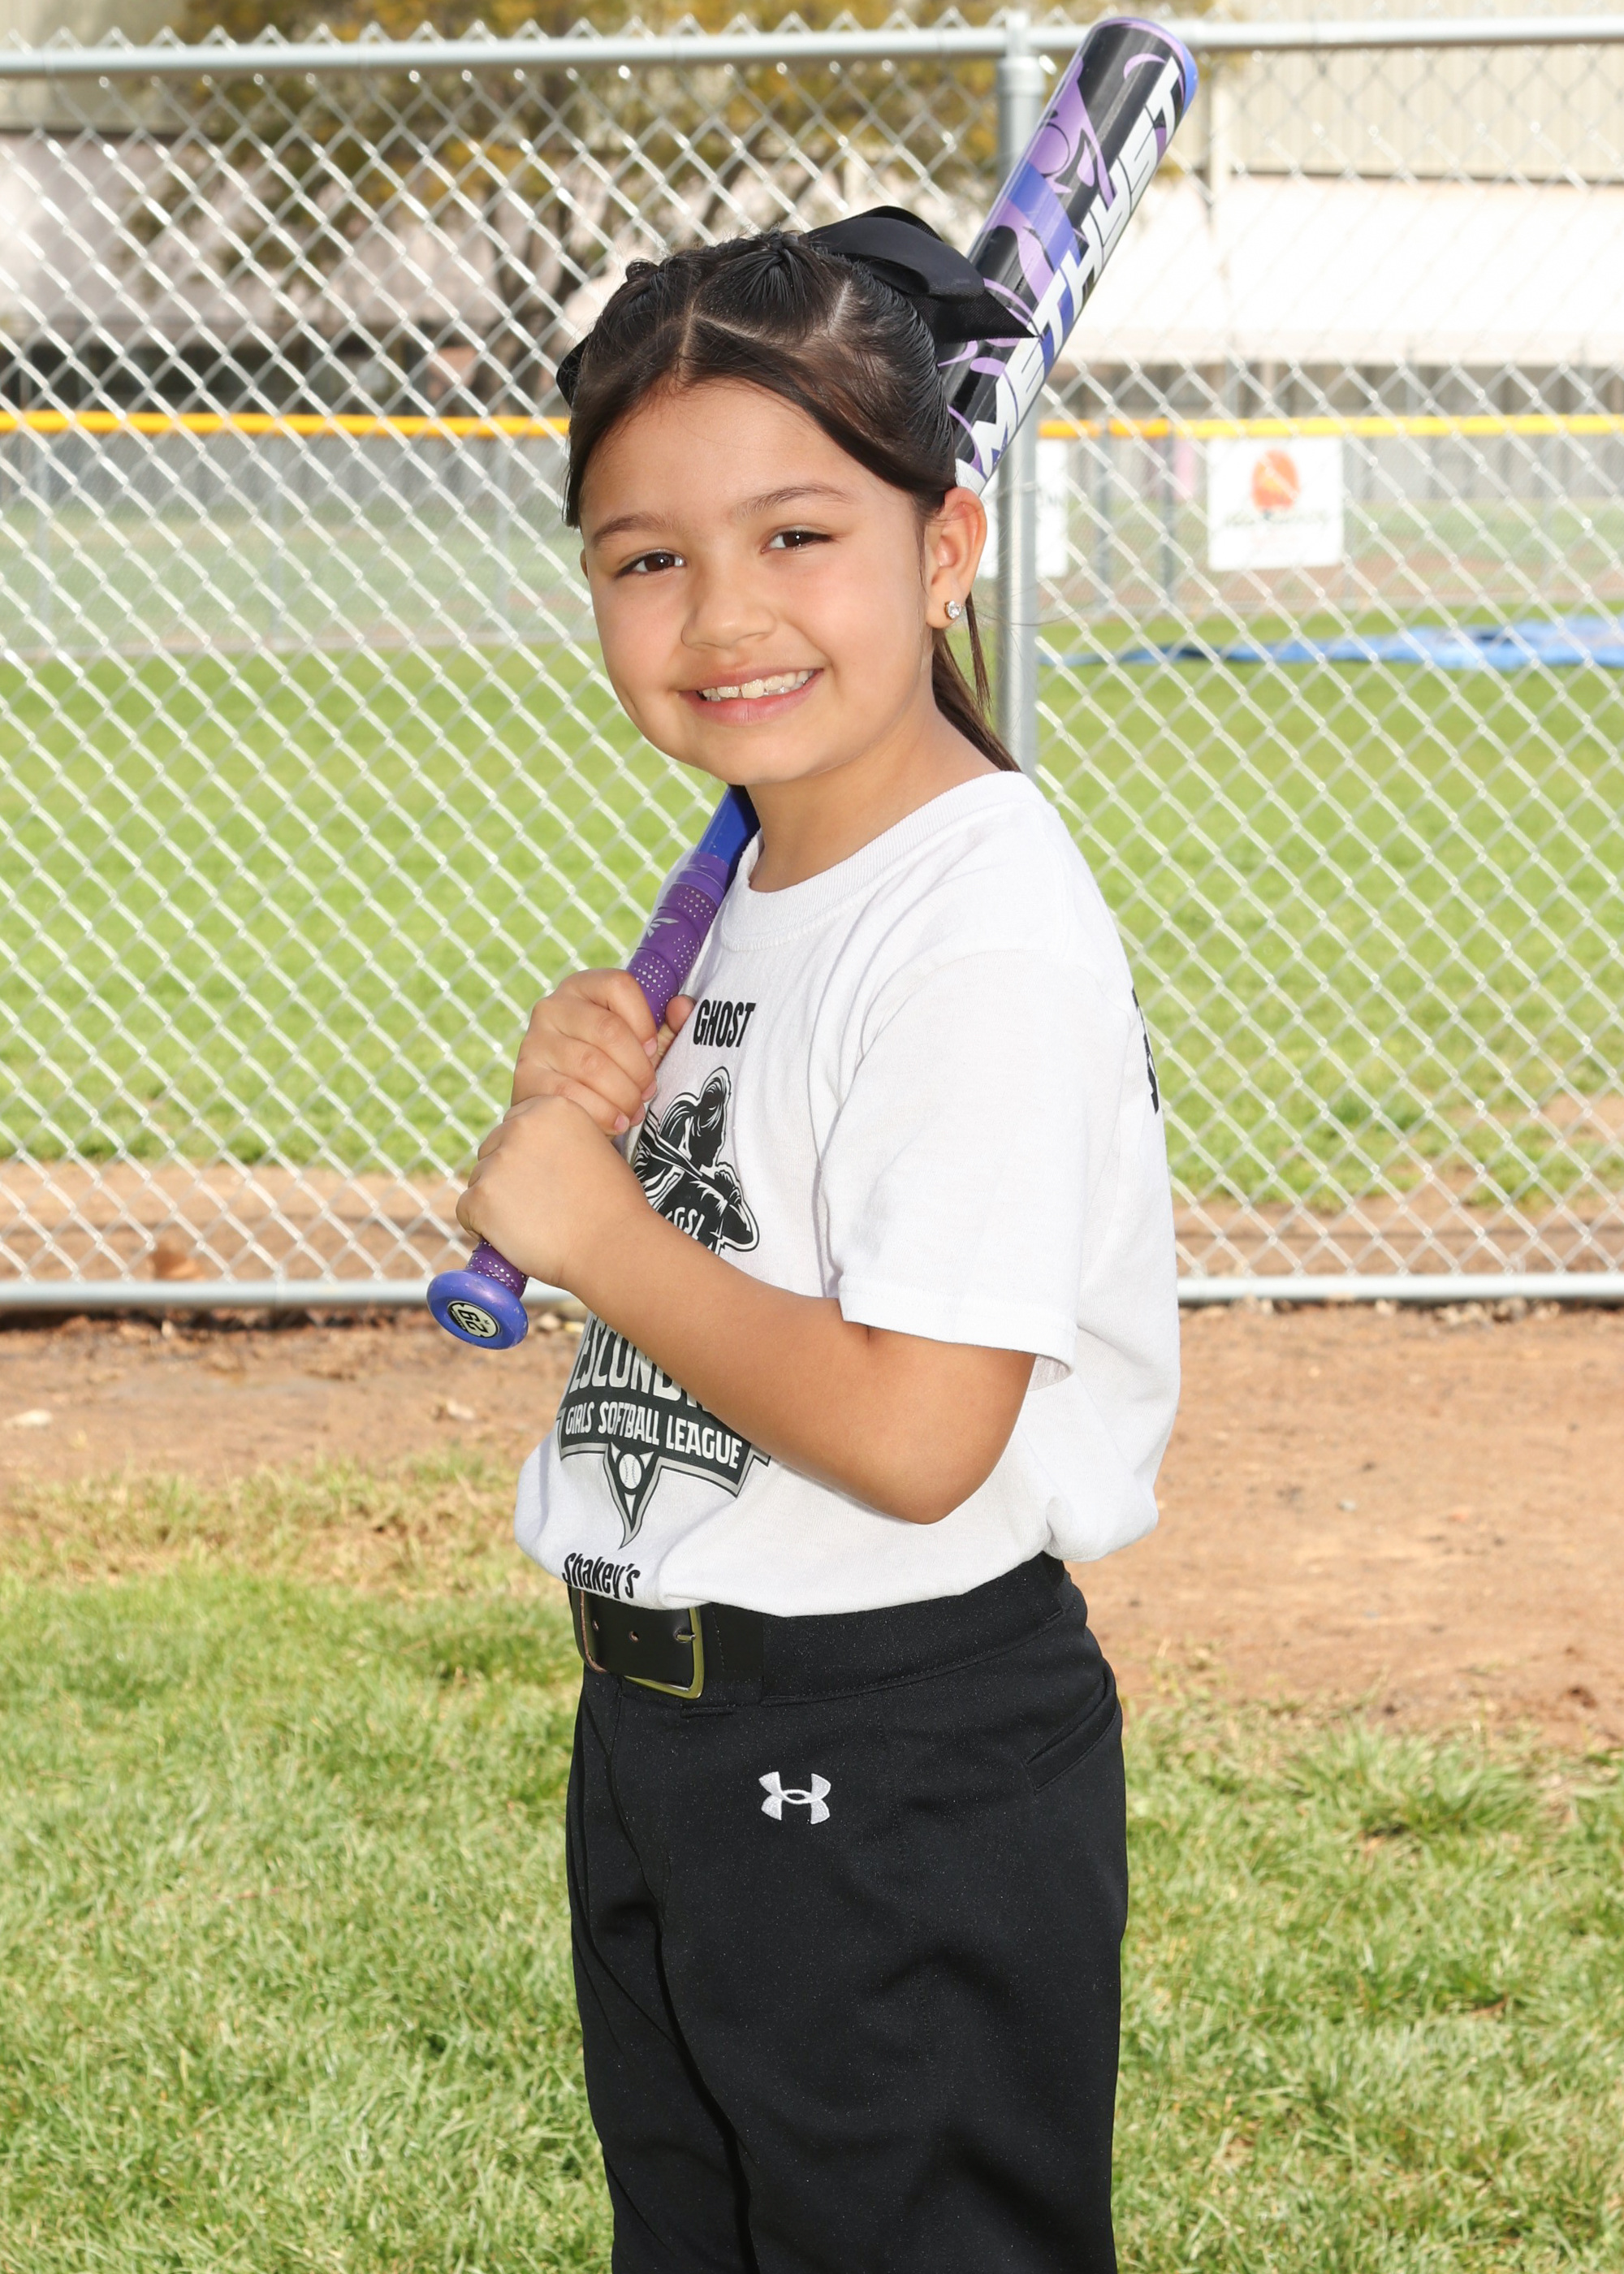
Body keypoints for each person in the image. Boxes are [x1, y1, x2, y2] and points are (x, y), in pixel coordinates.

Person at [455, 218, 1180, 2274]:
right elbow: (725, 1243)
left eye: (797, 534)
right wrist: (586, 1127)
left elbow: (919, 1432)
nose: (722, 614)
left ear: (945, 548)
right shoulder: (779, 882)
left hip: (889, 1746)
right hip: (677, 1729)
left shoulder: (978, 933)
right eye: (646, 558)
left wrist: (599, 1233)